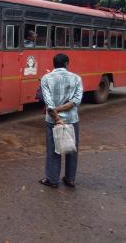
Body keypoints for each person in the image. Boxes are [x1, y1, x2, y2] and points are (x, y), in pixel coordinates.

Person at [39, 53, 83, 188]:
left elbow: (49, 103)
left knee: (53, 150)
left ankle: (52, 180)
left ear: (54, 64)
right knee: (71, 149)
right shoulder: (76, 78)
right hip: (72, 119)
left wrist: (56, 117)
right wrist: (59, 111)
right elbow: (76, 100)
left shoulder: (46, 78)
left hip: (52, 121)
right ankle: (70, 179)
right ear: (66, 63)